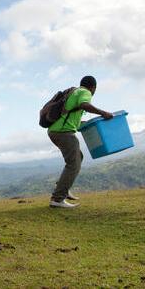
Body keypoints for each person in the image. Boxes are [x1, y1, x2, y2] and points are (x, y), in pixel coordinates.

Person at [47, 75, 113, 208]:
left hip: (56, 131)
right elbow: (85, 105)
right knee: (74, 164)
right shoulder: (85, 92)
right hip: (63, 132)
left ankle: (62, 187)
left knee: (78, 157)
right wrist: (103, 113)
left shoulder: (74, 92)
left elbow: (71, 117)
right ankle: (58, 198)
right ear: (93, 87)